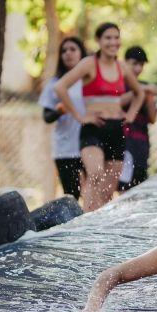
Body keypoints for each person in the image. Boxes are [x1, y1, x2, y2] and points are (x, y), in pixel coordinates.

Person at [55, 23, 144, 212]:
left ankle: (97, 230)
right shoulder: (89, 64)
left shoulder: (122, 67)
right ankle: (86, 221)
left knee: (107, 190)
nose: (113, 42)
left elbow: (139, 93)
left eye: (116, 38)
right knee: (95, 174)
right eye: (108, 38)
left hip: (115, 130)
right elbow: (60, 87)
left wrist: (130, 115)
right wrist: (79, 116)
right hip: (93, 128)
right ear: (99, 41)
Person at [38, 37, 89, 200]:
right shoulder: (54, 84)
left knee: (94, 193)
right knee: (71, 195)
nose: (68, 54)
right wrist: (59, 110)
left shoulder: (89, 82)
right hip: (65, 148)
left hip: (90, 144)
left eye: (73, 49)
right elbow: (47, 117)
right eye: (64, 51)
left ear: (82, 53)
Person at [117, 46, 157, 191]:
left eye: (141, 65)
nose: (137, 68)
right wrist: (141, 90)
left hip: (141, 144)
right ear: (125, 62)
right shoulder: (119, 84)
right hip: (122, 142)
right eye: (134, 63)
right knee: (121, 185)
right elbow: (118, 103)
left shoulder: (145, 86)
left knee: (138, 187)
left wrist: (148, 97)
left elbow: (153, 118)